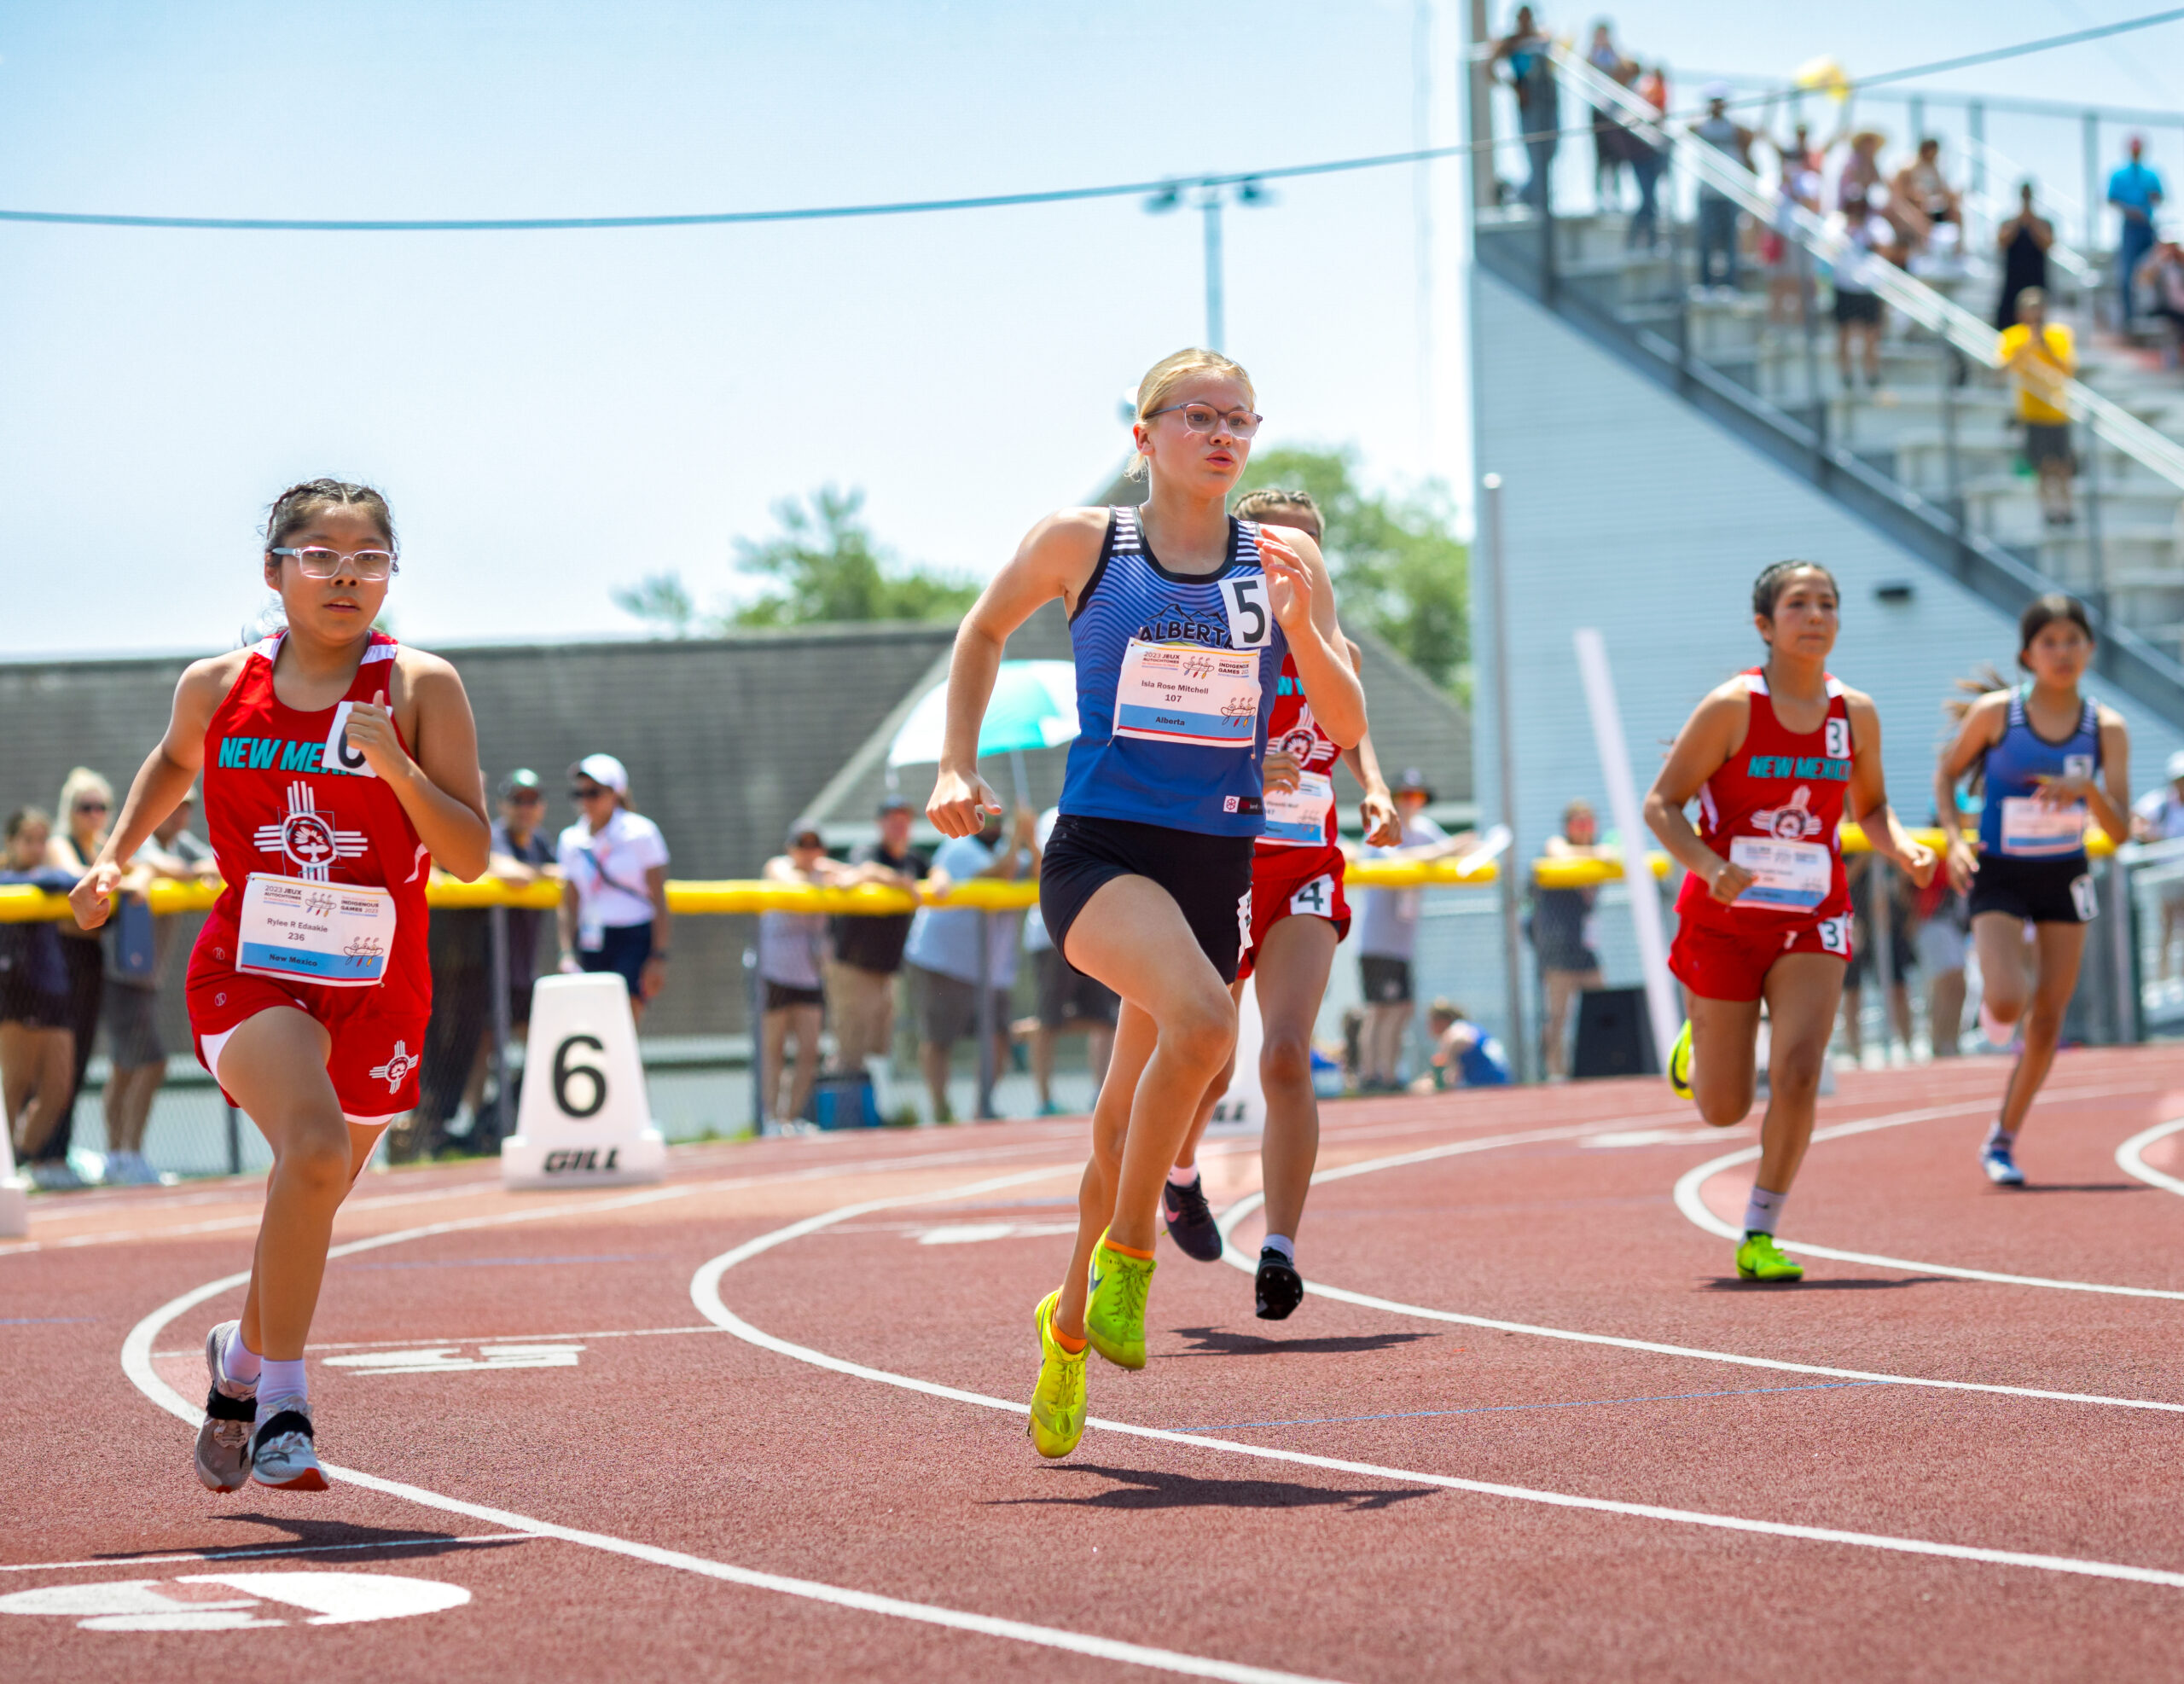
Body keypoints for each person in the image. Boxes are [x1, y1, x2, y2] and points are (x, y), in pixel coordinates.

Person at [926, 347, 1364, 1460]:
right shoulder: (1088, 541)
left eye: (1241, 419)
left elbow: (1346, 724)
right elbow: (983, 629)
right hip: (1104, 854)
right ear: (1145, 435)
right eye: (1199, 416)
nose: (1223, 435)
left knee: (1125, 1117)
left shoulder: (1281, 555)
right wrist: (955, 764)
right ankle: (1131, 1257)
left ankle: (1066, 1323)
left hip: (1216, 856)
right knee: (1212, 1029)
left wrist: (1304, 629)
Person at [70, 477, 490, 1493]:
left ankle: (239, 1363)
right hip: (250, 969)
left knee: (311, 1192)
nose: (346, 577)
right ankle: (284, 1407)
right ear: (276, 572)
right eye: (321, 557)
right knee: (306, 1148)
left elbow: (470, 853)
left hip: (381, 981)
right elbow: (172, 764)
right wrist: (118, 856)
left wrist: (395, 767)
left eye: (369, 559)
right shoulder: (219, 687)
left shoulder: (421, 687)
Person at [1645, 560, 1936, 1284]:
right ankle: (1701, 1042)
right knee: (1722, 1109)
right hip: (1723, 916)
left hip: (1813, 912)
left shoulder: (1855, 714)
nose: (1816, 615)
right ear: (1764, 625)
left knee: (1801, 1070)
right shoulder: (1731, 707)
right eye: (1799, 604)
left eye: (1828, 603)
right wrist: (1710, 866)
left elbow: (1870, 808)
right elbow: (1663, 805)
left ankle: (1759, 1232)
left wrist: (1901, 848)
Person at [1158, 486, 1401, 1320]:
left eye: (1305, 549)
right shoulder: (1211, 645)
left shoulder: (1336, 648)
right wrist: (1237, 772)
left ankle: (1279, 1250)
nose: (1288, 562)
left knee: (1287, 1053)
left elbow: (1351, 726)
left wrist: (1372, 788)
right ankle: (1180, 1174)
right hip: (1219, 864)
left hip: (1303, 868)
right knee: (1210, 1054)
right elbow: (1158, 756)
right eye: (1271, 546)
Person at [1934, 595, 2130, 1187]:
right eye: (2050, 642)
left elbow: (2118, 831)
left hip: (2065, 875)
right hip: (1999, 870)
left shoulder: (2105, 728)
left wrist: (2085, 791)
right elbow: (1946, 772)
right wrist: (1954, 838)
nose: (2063, 652)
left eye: (2073, 640)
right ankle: (1995, 1015)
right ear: (2027, 655)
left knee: (2047, 1019)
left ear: (2090, 649)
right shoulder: (1998, 715)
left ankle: (2003, 1138)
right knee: (2007, 1000)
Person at [402, 769, 559, 1158]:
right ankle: (435, 1123)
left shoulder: (480, 827)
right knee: (435, 1044)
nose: (524, 807)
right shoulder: (433, 813)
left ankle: (472, 1123)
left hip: (476, 961)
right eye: (516, 799)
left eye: (531, 799)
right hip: (433, 958)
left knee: (472, 1043)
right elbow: (489, 864)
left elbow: (490, 862)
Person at [99, 789, 221, 1183]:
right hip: (121, 975)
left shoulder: (181, 842)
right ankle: (128, 1154)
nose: (179, 816)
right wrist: (191, 870)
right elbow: (158, 865)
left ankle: (117, 1156)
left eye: (185, 809)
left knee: (125, 1068)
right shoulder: (142, 838)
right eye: (172, 806)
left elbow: (214, 861)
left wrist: (199, 866)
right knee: (151, 1064)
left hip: (145, 978)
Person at [902, 805, 1035, 1123]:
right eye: (983, 818)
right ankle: (940, 1110)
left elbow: (1042, 873)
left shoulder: (1009, 849)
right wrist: (1018, 839)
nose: (991, 825)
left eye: (997, 819)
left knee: (999, 1038)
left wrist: (1030, 840)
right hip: (945, 961)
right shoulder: (958, 848)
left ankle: (982, 1109)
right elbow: (999, 875)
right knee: (939, 1038)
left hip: (991, 967)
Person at [1354, 769, 1472, 1091]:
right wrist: (1446, 851)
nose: (1411, 803)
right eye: (1405, 796)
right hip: (1378, 940)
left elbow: (1451, 849)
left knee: (1401, 1009)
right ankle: (1371, 1075)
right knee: (1380, 1011)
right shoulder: (1381, 829)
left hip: (1402, 943)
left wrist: (1471, 845)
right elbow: (1400, 861)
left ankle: (1389, 1074)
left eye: (1417, 797)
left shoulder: (1424, 830)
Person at [31, 768, 114, 1182]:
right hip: (59, 961)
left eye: (102, 807)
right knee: (55, 1065)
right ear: (71, 810)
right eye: (86, 808)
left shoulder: (102, 845)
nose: (95, 815)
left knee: (79, 1061)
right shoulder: (61, 846)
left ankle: (60, 1154)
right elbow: (80, 878)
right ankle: (39, 1156)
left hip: (91, 960)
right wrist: (128, 872)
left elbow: (144, 863)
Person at [556, 754, 670, 1019]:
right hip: (591, 936)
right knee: (594, 1015)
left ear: (615, 793)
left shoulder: (641, 833)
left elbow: (659, 901)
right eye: (579, 793)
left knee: (626, 1015)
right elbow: (569, 902)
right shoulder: (571, 839)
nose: (586, 800)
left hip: (633, 934)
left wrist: (659, 956)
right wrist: (566, 952)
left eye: (594, 792)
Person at [1, 810, 80, 1191]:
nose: (35, 848)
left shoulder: (47, 880)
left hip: (54, 992)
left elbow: (68, 879)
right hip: (17, 996)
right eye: (27, 840)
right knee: (13, 1086)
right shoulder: (10, 880)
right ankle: (8, 1168)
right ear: (11, 842)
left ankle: (19, 1157)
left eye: (40, 840)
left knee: (58, 1089)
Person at [1020, 807, 1118, 1118]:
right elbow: (1043, 871)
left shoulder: (1104, 811)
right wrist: (1026, 835)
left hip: (1095, 928)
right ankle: (1044, 1100)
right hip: (1051, 933)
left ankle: (1101, 1093)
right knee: (1048, 1019)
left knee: (1106, 1018)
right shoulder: (1050, 818)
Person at [757, 826, 851, 1129]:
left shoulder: (824, 871)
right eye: (802, 846)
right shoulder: (777, 866)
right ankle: (771, 1117)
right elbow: (792, 881)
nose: (808, 852)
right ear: (790, 848)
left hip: (810, 974)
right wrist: (827, 876)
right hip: (777, 971)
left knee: (809, 1050)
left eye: (815, 846)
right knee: (775, 1048)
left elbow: (855, 874)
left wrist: (831, 873)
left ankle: (792, 1117)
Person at [826, 796, 927, 1076]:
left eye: (904, 818)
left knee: (877, 1047)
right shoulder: (868, 851)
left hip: (885, 967)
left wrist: (938, 880)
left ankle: (866, 1111)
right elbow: (865, 870)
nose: (899, 824)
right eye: (892, 818)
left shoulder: (912, 858)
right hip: (854, 965)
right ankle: (838, 1111)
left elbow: (936, 872)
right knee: (850, 1048)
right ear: (880, 823)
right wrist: (900, 882)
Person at [1532, 799, 1606, 1080]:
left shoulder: (1598, 850)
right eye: (1578, 823)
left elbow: (1611, 851)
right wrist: (1596, 852)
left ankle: (1601, 1064)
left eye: (1588, 823)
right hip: (1558, 950)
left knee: (1601, 1006)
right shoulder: (1558, 844)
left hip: (1586, 949)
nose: (1584, 829)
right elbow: (1559, 853)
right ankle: (1555, 1071)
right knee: (1558, 1016)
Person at [1998, 288, 2077, 527]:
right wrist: (2028, 346)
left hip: (2057, 409)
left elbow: (2068, 368)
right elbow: (2003, 369)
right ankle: (2048, 511)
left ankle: (2067, 509)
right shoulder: (2012, 336)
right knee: (2041, 466)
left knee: (2063, 466)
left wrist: (2044, 346)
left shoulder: (2059, 334)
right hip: (2032, 411)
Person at [1839, 852, 1915, 1063]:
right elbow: (1842, 880)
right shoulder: (1849, 845)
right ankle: (1854, 1050)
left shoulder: (1886, 845)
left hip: (1886, 927)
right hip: (1856, 922)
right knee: (1853, 990)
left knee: (1898, 987)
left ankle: (1908, 1046)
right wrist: (1867, 853)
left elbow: (1902, 891)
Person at [1690, 83, 1757, 294]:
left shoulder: (1735, 129)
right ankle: (1706, 282)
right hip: (1707, 191)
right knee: (1706, 240)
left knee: (1730, 240)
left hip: (1730, 192)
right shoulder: (1701, 127)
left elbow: (1750, 141)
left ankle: (1730, 283)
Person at [1491, 6, 1560, 213]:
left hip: (1547, 96)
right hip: (1529, 100)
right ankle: (1530, 197)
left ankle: (1526, 195)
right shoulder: (1510, 42)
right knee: (1536, 152)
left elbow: (1550, 43)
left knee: (1551, 150)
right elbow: (1490, 67)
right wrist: (1514, 85)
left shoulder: (1540, 35)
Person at [2131, 748, 2184, 979]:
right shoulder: (2160, 803)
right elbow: (2136, 822)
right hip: (2165, 877)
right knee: (2167, 928)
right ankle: (2164, 979)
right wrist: (2154, 836)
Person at [1833, 190, 1892, 389]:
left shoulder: (1876, 227)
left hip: (1868, 289)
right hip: (1845, 287)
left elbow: (1885, 250)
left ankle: (1872, 374)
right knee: (1844, 334)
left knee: (1871, 335)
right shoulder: (1837, 225)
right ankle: (1846, 374)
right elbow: (1830, 250)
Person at [2107, 136, 2164, 328]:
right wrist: (2131, 209)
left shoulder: (2151, 174)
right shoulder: (2119, 175)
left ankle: (2157, 311)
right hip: (2130, 229)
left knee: (2157, 269)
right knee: (2126, 274)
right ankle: (2128, 318)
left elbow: (2159, 197)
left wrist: (2151, 199)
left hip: (2148, 227)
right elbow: (2111, 199)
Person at [1995, 182, 2053, 330]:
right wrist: (2020, 219)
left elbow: (2047, 244)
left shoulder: (2043, 223)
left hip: (2036, 281)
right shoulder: (2009, 222)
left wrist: (2031, 220)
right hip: (2012, 283)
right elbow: (2001, 242)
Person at [1422, 1000, 1513, 1089]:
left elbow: (1458, 1040)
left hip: (1487, 1084)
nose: (1428, 1027)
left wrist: (1449, 1064)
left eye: (1431, 1022)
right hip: (1502, 1080)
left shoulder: (1454, 1031)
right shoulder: (1472, 1028)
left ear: (1441, 1021)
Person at [2134, 239, 2184, 363]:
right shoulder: (2153, 264)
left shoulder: (2177, 266)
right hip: (2160, 307)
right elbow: (2144, 282)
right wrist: (2159, 260)